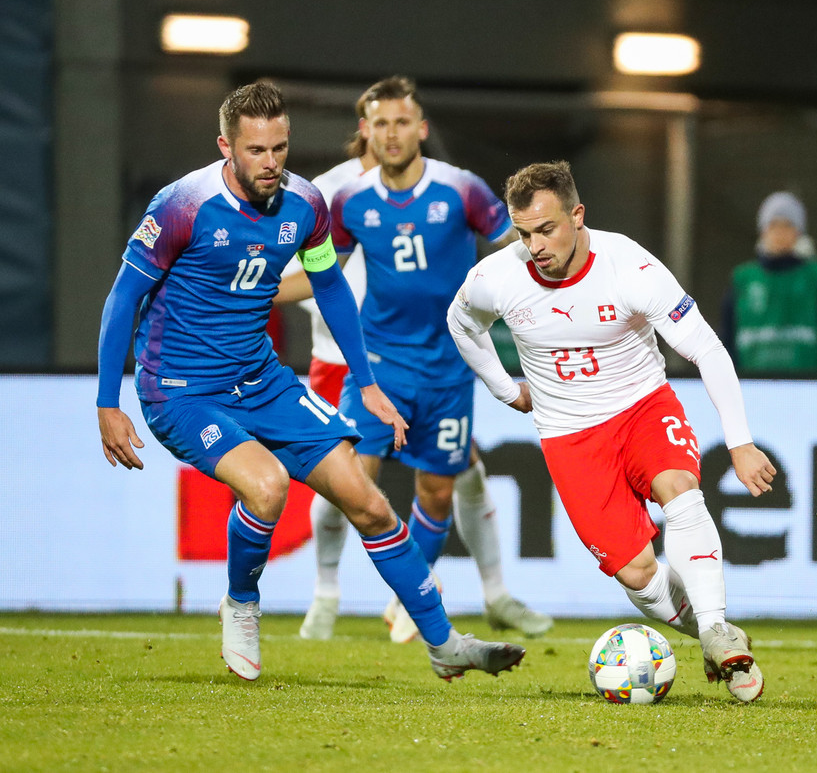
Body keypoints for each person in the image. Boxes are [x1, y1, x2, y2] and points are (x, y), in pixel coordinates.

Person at [96, 80, 525, 683]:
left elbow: (330, 286)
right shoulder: (181, 204)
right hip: (181, 390)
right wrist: (107, 401)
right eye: (256, 151)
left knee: (368, 502)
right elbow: (123, 299)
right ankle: (241, 603)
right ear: (226, 147)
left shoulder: (305, 204)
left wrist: (366, 382)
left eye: (280, 148)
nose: (271, 162)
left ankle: (444, 643)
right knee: (267, 486)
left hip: (263, 381)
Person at [447, 160, 777, 703]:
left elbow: (706, 348)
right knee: (637, 574)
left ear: (577, 215)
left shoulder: (631, 267)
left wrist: (740, 442)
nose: (535, 246)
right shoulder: (496, 278)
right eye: (524, 234)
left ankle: (717, 627)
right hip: (570, 437)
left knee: (680, 490)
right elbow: (460, 324)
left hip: (642, 407)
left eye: (546, 229)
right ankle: (713, 634)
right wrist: (505, 389)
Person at [277, 75, 553, 643]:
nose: (391, 133)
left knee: (438, 492)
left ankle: (413, 595)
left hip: (450, 368)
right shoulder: (349, 199)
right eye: (381, 124)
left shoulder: (461, 189)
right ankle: (330, 595)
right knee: (350, 483)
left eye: (402, 122)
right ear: (366, 131)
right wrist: (255, 292)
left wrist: (555, 273)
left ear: (421, 128)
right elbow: (325, 274)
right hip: (379, 365)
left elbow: (515, 244)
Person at [721, 191, 817, 374]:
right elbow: (726, 341)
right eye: (774, 225)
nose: (780, 233)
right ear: (763, 230)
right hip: (751, 386)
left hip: (808, 386)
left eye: (787, 225)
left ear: (799, 231)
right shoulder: (742, 280)